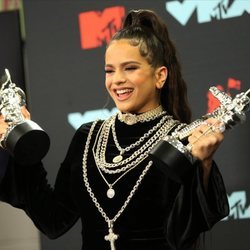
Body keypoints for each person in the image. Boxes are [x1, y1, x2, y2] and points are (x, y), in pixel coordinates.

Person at [0, 9, 229, 250]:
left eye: (130, 68)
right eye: (110, 70)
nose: (116, 80)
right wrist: (18, 140)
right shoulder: (87, 137)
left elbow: (183, 233)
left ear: (160, 76)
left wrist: (203, 166)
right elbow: (53, 220)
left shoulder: (182, 140)